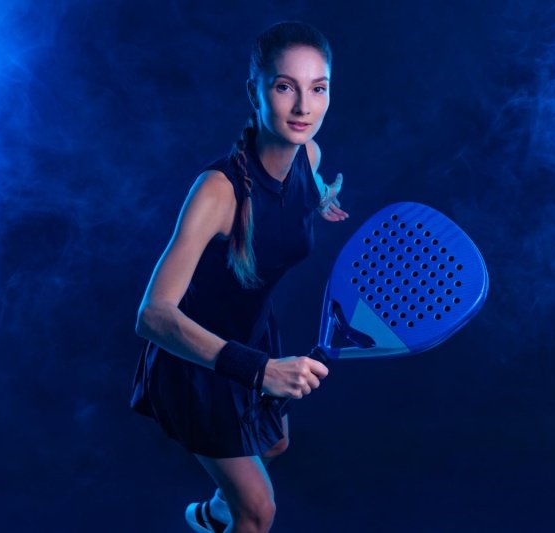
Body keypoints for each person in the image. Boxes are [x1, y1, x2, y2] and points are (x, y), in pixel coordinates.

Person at [132, 20, 347, 533]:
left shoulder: (309, 156)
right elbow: (152, 315)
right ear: (253, 90)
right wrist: (262, 371)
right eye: (284, 86)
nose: (304, 107)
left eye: (318, 89)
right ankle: (233, 514)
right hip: (198, 361)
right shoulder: (218, 191)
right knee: (260, 510)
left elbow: (299, 191)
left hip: (255, 336)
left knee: (274, 441)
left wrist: (321, 199)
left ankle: (212, 514)